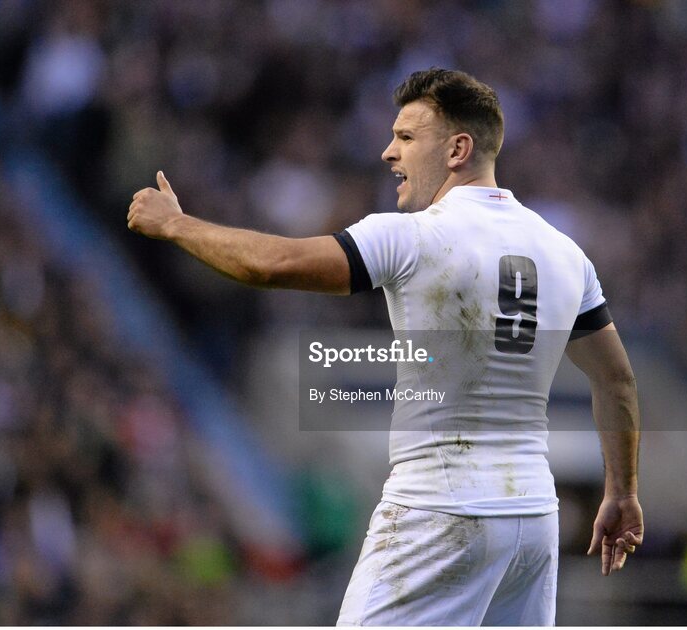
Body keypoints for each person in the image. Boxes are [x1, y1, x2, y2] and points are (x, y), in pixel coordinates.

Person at [128, 68, 642, 626]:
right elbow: (616, 380)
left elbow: (270, 264)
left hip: (439, 508)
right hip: (532, 521)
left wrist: (177, 226)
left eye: (406, 138)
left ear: (458, 149)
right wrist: (622, 490)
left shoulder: (413, 236)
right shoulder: (566, 255)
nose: (387, 153)